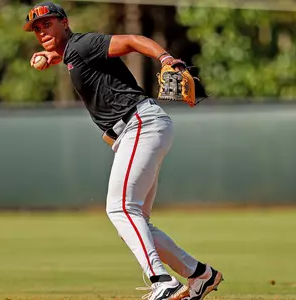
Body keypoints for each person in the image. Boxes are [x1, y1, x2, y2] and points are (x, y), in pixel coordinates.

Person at [23, 2, 223, 300]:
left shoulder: (83, 43)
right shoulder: (73, 54)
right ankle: (200, 275)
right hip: (140, 129)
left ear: (64, 23)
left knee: (119, 209)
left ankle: (162, 281)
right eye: (37, 29)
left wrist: (167, 58)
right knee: (136, 219)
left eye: (47, 24)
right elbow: (71, 59)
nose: (41, 31)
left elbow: (131, 41)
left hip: (139, 125)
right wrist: (50, 56)